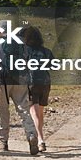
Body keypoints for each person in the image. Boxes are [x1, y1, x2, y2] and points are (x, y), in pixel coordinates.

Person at [0, 19, 39, 155]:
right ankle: (31, 135)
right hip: (21, 78)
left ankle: (2, 141)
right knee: (24, 110)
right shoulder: (21, 42)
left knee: (2, 110)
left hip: (3, 80)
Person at [22, 25, 53, 153]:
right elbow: (53, 66)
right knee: (40, 112)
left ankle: (40, 139)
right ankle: (41, 137)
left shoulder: (25, 51)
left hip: (31, 82)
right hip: (45, 82)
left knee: (33, 112)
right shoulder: (46, 51)